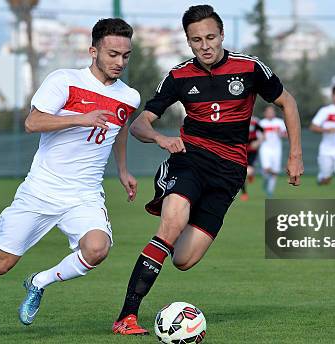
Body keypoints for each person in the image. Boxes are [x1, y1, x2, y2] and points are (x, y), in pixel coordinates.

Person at [0, 18, 140, 340]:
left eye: (126, 55)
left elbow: (120, 131)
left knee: (97, 249)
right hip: (41, 190)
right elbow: (33, 122)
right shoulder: (64, 80)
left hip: (84, 194)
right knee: (1, 262)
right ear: (93, 51)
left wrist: (124, 171)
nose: (120, 62)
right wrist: (81, 118)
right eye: (113, 54)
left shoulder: (129, 97)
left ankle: (39, 282)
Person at [111, 4, 304, 335]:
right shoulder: (178, 76)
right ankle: (126, 316)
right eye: (196, 39)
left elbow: (288, 102)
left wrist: (295, 154)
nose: (205, 45)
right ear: (189, 42)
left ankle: (180, 224)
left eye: (210, 37)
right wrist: (160, 138)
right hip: (191, 160)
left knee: (183, 259)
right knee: (170, 226)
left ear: (222, 35)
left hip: (228, 174)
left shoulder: (250, 68)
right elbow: (139, 124)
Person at [258, 105, 287, 197]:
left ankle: (270, 190)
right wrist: (261, 138)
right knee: (266, 169)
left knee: (274, 172)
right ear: (265, 113)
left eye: (272, 111)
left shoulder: (279, 122)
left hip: (276, 149)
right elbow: (257, 136)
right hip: (265, 148)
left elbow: (286, 134)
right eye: (268, 111)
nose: (270, 113)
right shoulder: (261, 123)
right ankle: (266, 181)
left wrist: (281, 134)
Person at [240, 115, 264, 201]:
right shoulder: (238, 118)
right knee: (242, 172)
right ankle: (244, 193)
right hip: (241, 149)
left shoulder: (255, 121)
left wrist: (258, 142)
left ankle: (251, 175)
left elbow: (262, 132)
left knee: (248, 171)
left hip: (252, 150)